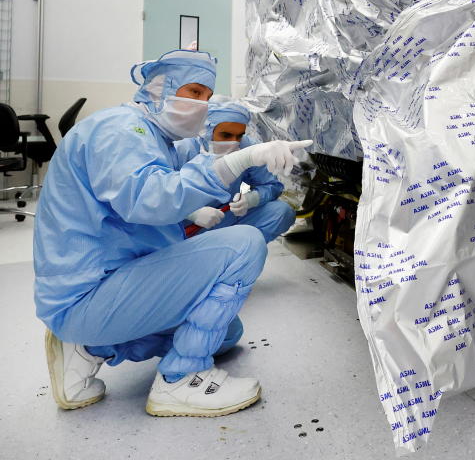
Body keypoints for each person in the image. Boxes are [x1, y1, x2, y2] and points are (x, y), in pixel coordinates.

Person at [33, 50, 311, 417]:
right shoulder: (120, 128)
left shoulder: (152, 137)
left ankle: (89, 350)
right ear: (158, 87)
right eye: (194, 92)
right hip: (88, 294)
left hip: (112, 284)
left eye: (208, 97)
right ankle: (182, 380)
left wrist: (251, 187)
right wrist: (239, 161)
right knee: (243, 245)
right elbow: (149, 199)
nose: (201, 105)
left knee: (227, 333)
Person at [174, 98, 296, 242]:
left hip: (227, 214)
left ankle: (238, 249)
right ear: (206, 129)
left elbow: (272, 186)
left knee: (281, 212)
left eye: (239, 135)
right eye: (226, 135)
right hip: (187, 226)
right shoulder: (182, 149)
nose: (233, 142)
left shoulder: (247, 146)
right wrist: (191, 213)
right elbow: (158, 195)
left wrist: (252, 199)